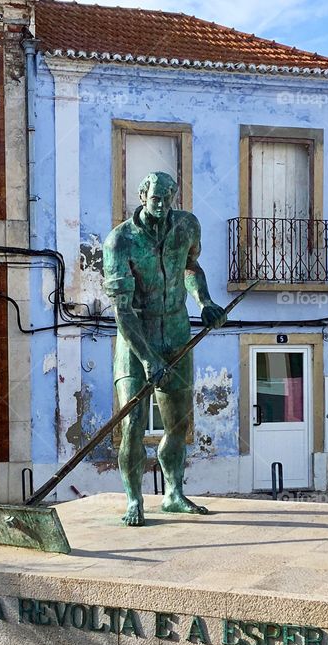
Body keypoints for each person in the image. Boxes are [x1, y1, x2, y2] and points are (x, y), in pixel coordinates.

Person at [102, 171, 226, 526]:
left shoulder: (187, 226)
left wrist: (204, 302)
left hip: (175, 330)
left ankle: (173, 494)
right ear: (142, 196)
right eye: (154, 198)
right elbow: (122, 310)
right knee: (133, 426)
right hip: (135, 339)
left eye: (167, 199)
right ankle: (133, 500)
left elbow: (191, 267)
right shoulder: (119, 242)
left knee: (177, 423)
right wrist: (147, 359)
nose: (160, 205)